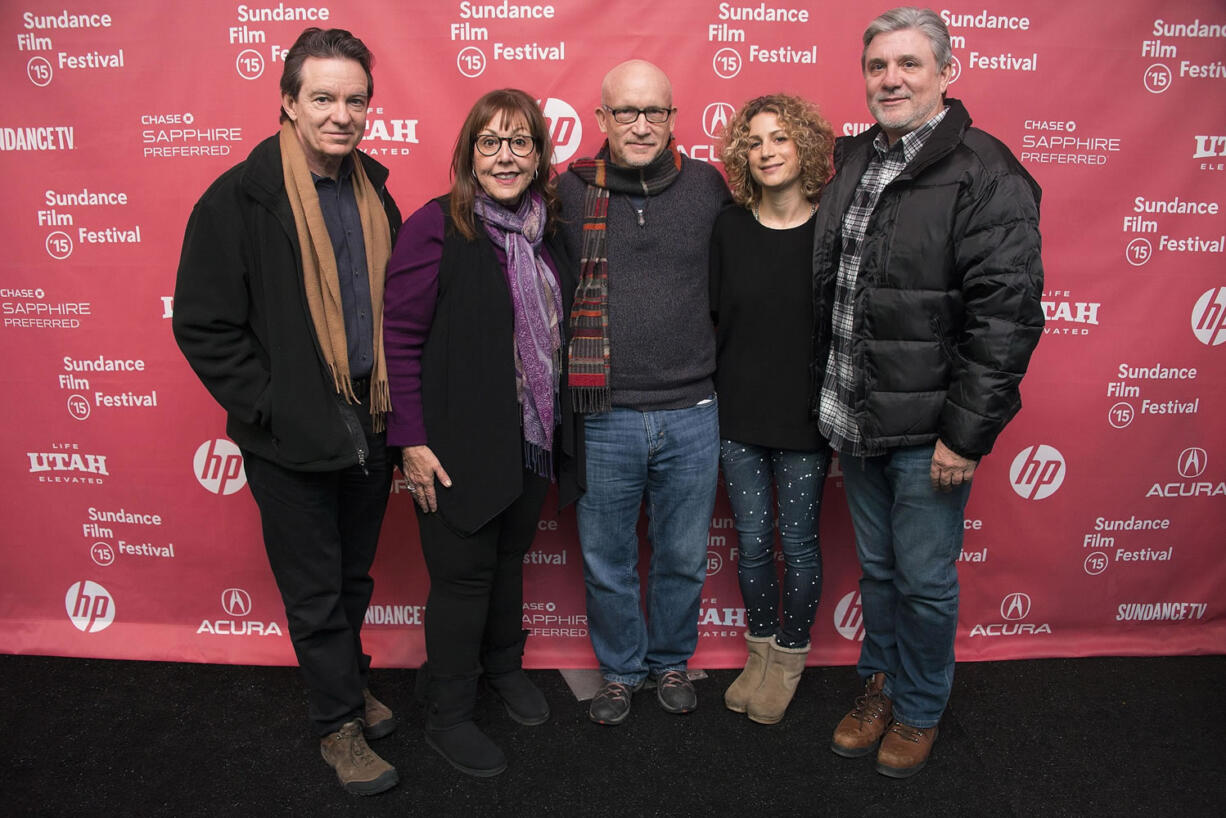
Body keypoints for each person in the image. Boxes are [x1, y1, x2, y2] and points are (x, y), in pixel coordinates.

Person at [815, 7, 1044, 778]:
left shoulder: (987, 172)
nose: (891, 79)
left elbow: (1006, 319)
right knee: (878, 574)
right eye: (879, 66)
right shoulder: (853, 160)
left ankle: (918, 709)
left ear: (949, 71)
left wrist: (964, 436)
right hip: (857, 414)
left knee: (921, 580)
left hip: (929, 435)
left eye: (909, 64)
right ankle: (877, 690)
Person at [173, 28, 402, 795]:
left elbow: (392, 311)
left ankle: (348, 684)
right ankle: (338, 724)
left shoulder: (375, 191)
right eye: (324, 98)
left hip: (369, 421)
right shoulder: (240, 196)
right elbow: (204, 322)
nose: (342, 114)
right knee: (314, 587)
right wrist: (271, 406)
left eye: (355, 99)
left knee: (352, 578)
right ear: (288, 102)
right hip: (292, 432)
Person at [383, 88, 580, 778]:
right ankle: (449, 713)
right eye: (490, 141)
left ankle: (504, 668)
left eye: (519, 141)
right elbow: (399, 340)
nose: (505, 155)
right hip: (453, 444)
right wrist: (409, 440)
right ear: (469, 153)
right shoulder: (434, 226)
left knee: (506, 564)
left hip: (530, 435)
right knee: (463, 580)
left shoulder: (545, 229)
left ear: (538, 155)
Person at [557, 59, 732, 725]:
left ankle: (670, 662)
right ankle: (621, 672)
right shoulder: (568, 192)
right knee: (607, 562)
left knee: (683, 558)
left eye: (654, 111)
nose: (640, 124)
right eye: (625, 112)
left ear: (673, 119)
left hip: (692, 411)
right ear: (601, 119)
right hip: (604, 415)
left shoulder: (710, 188)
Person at [710, 94, 834, 725]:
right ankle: (758, 653)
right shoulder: (728, 227)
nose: (767, 151)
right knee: (754, 545)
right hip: (737, 417)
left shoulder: (831, 231)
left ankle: (788, 658)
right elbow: (710, 318)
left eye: (780, 138)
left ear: (803, 146)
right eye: (755, 141)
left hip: (806, 421)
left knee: (798, 544)